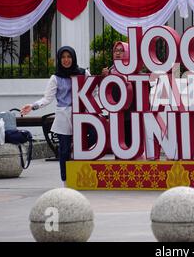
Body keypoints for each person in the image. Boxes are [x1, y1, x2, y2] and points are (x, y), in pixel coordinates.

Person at [21, 46, 89, 186]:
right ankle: (66, 181)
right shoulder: (56, 78)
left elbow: (93, 90)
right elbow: (47, 99)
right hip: (64, 116)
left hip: (81, 114)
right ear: (59, 59)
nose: (66, 60)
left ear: (73, 57)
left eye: (68, 56)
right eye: (63, 57)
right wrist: (32, 106)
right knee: (64, 150)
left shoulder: (83, 73)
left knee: (90, 140)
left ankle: (83, 178)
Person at [101, 41, 134, 146]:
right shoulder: (110, 70)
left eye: (121, 50)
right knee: (118, 143)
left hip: (129, 112)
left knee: (129, 141)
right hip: (115, 112)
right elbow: (104, 91)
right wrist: (105, 77)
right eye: (116, 50)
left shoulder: (132, 69)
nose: (118, 53)